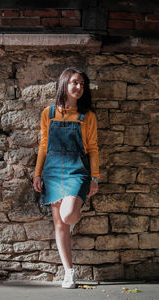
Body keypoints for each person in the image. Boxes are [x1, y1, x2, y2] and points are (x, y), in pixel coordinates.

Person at [33, 67, 99, 288]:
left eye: (82, 83)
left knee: (68, 215)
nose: (79, 87)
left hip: (76, 170)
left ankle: (75, 213)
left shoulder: (87, 116)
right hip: (52, 170)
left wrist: (95, 178)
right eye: (74, 82)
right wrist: (37, 173)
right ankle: (69, 272)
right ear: (64, 84)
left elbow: (93, 148)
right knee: (59, 224)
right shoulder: (48, 113)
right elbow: (43, 145)